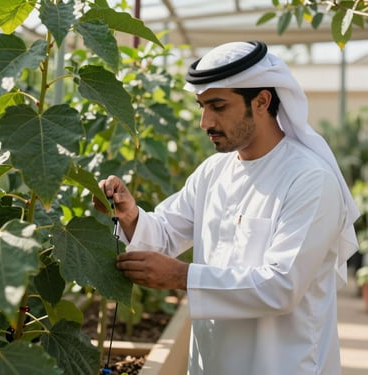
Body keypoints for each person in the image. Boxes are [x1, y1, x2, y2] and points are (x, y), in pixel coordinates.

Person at [93, 41, 360, 375]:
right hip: (213, 361)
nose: (205, 122)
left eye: (218, 106)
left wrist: (181, 275)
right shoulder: (213, 172)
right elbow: (165, 231)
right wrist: (130, 213)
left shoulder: (309, 179)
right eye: (202, 106)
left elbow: (282, 286)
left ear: (262, 101)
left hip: (283, 364)